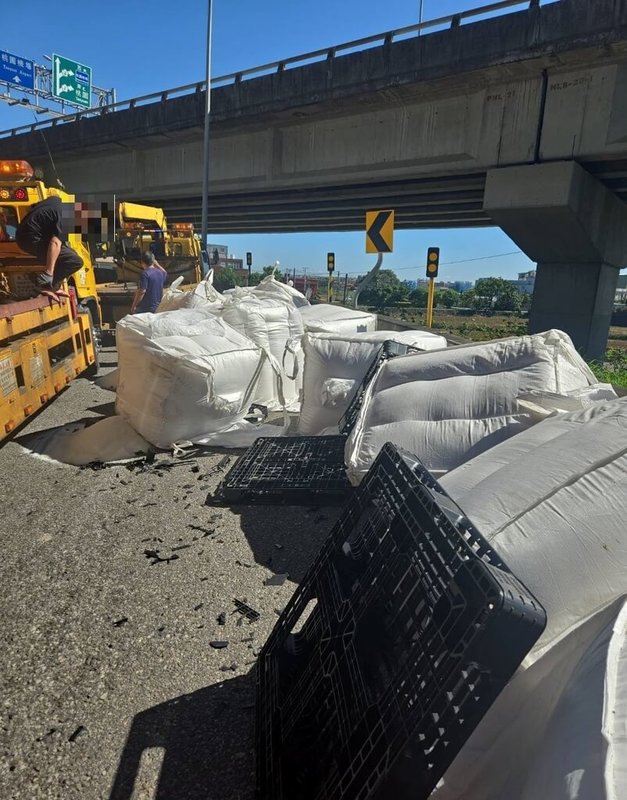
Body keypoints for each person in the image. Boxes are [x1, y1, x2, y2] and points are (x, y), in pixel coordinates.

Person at [15, 196, 84, 302]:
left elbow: (30, 207)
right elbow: (54, 243)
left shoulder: (55, 200)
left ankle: (53, 286)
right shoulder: (66, 218)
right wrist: (48, 273)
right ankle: (46, 285)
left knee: (69, 253)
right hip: (30, 240)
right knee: (75, 261)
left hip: (22, 235)